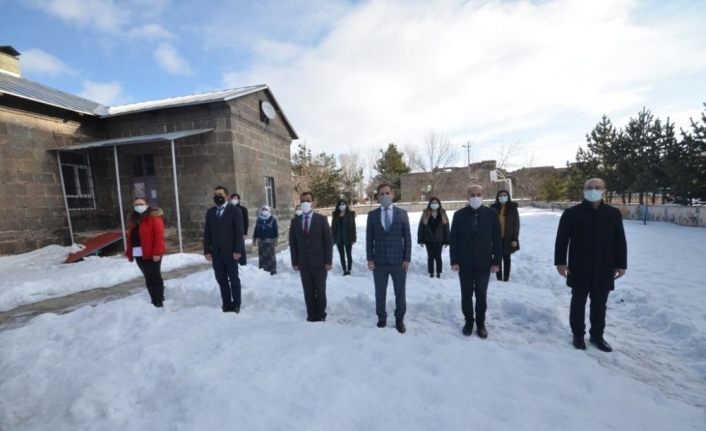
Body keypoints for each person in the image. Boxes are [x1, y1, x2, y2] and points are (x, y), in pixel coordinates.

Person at [554, 177, 627, 352]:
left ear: (604, 191)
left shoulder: (613, 213)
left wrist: (621, 264)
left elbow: (620, 241)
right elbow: (562, 240)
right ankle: (578, 334)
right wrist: (560, 262)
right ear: (584, 191)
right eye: (589, 187)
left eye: (597, 187)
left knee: (599, 304)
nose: (593, 190)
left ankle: (597, 336)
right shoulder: (572, 213)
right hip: (579, 267)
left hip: (604, 267)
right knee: (578, 302)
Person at [449, 185, 502, 339]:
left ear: (483, 196)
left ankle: (480, 323)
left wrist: (496, 262)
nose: (475, 197)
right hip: (464, 263)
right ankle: (469, 322)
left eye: (478, 194)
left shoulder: (492, 214)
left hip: (484, 263)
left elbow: (497, 240)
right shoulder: (459, 215)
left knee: (481, 294)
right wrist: (454, 261)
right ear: (467, 196)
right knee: (466, 294)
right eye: (472, 195)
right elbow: (454, 240)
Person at [366, 184, 412, 334]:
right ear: (378, 197)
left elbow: (407, 238)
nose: (384, 196)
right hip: (379, 263)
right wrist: (370, 258)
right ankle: (382, 318)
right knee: (380, 293)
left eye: (387, 193)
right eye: (381, 194)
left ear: (392, 194)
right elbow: (369, 239)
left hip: (398, 262)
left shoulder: (402, 214)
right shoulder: (372, 215)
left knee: (400, 293)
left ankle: (399, 319)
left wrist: (407, 258)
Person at [289, 192, 334, 322]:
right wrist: (295, 262)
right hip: (304, 263)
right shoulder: (295, 221)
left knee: (320, 290)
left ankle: (321, 314)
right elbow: (293, 243)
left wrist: (328, 261)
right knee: (308, 290)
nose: (305, 203)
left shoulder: (321, 220)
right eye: (302, 201)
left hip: (320, 263)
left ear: (313, 202)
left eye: (307, 200)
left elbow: (328, 242)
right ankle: (311, 314)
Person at [203, 185, 245, 313]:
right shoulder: (210, 212)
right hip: (216, 253)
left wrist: (238, 250)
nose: (217, 197)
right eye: (216, 194)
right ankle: (226, 304)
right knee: (221, 279)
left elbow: (239, 232)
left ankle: (236, 303)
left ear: (226, 196)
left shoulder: (234, 211)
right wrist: (206, 251)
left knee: (234, 279)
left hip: (231, 252)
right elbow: (207, 233)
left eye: (220, 194)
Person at [125, 197, 166, 308]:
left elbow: (159, 237)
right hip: (138, 253)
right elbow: (130, 238)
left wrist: (157, 252)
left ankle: (159, 300)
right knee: (148, 277)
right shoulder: (133, 219)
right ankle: (154, 299)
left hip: (152, 253)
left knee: (155, 276)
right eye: (136, 204)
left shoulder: (154, 218)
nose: (138, 206)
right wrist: (129, 253)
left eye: (141, 204)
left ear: (147, 205)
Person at [489, 190, 520, 282]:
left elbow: (516, 224)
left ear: (508, 197)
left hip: (508, 238)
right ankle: (499, 278)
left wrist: (515, 239)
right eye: (501, 195)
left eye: (505, 195)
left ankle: (506, 278)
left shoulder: (513, 208)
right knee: (497, 258)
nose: (503, 197)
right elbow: (489, 224)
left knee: (507, 258)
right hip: (496, 238)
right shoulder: (493, 208)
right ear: (498, 197)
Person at [417, 197, 450, 278]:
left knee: (438, 256)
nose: (434, 204)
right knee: (430, 256)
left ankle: (439, 272)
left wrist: (447, 240)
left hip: (439, 239)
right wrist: (420, 239)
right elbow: (421, 227)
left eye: (436, 202)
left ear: (439, 204)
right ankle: (431, 272)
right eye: (433, 202)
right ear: (430, 204)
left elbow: (446, 227)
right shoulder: (425, 213)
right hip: (429, 239)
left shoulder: (442, 213)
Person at [331, 198, 356, 275]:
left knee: (349, 254)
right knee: (342, 255)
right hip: (338, 238)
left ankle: (349, 270)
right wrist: (332, 239)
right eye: (340, 204)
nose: (342, 206)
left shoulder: (350, 214)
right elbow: (333, 228)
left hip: (348, 237)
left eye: (343, 204)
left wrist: (353, 238)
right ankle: (344, 270)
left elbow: (353, 227)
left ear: (346, 205)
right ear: (338, 206)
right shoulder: (335, 215)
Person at [252, 205, 279, 275]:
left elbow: (275, 230)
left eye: (266, 210)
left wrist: (276, 240)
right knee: (262, 256)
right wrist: (254, 239)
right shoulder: (259, 219)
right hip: (261, 241)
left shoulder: (272, 219)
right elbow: (256, 230)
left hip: (270, 241)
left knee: (271, 256)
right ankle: (263, 269)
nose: (264, 211)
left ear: (269, 211)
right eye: (263, 209)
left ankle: (272, 270)